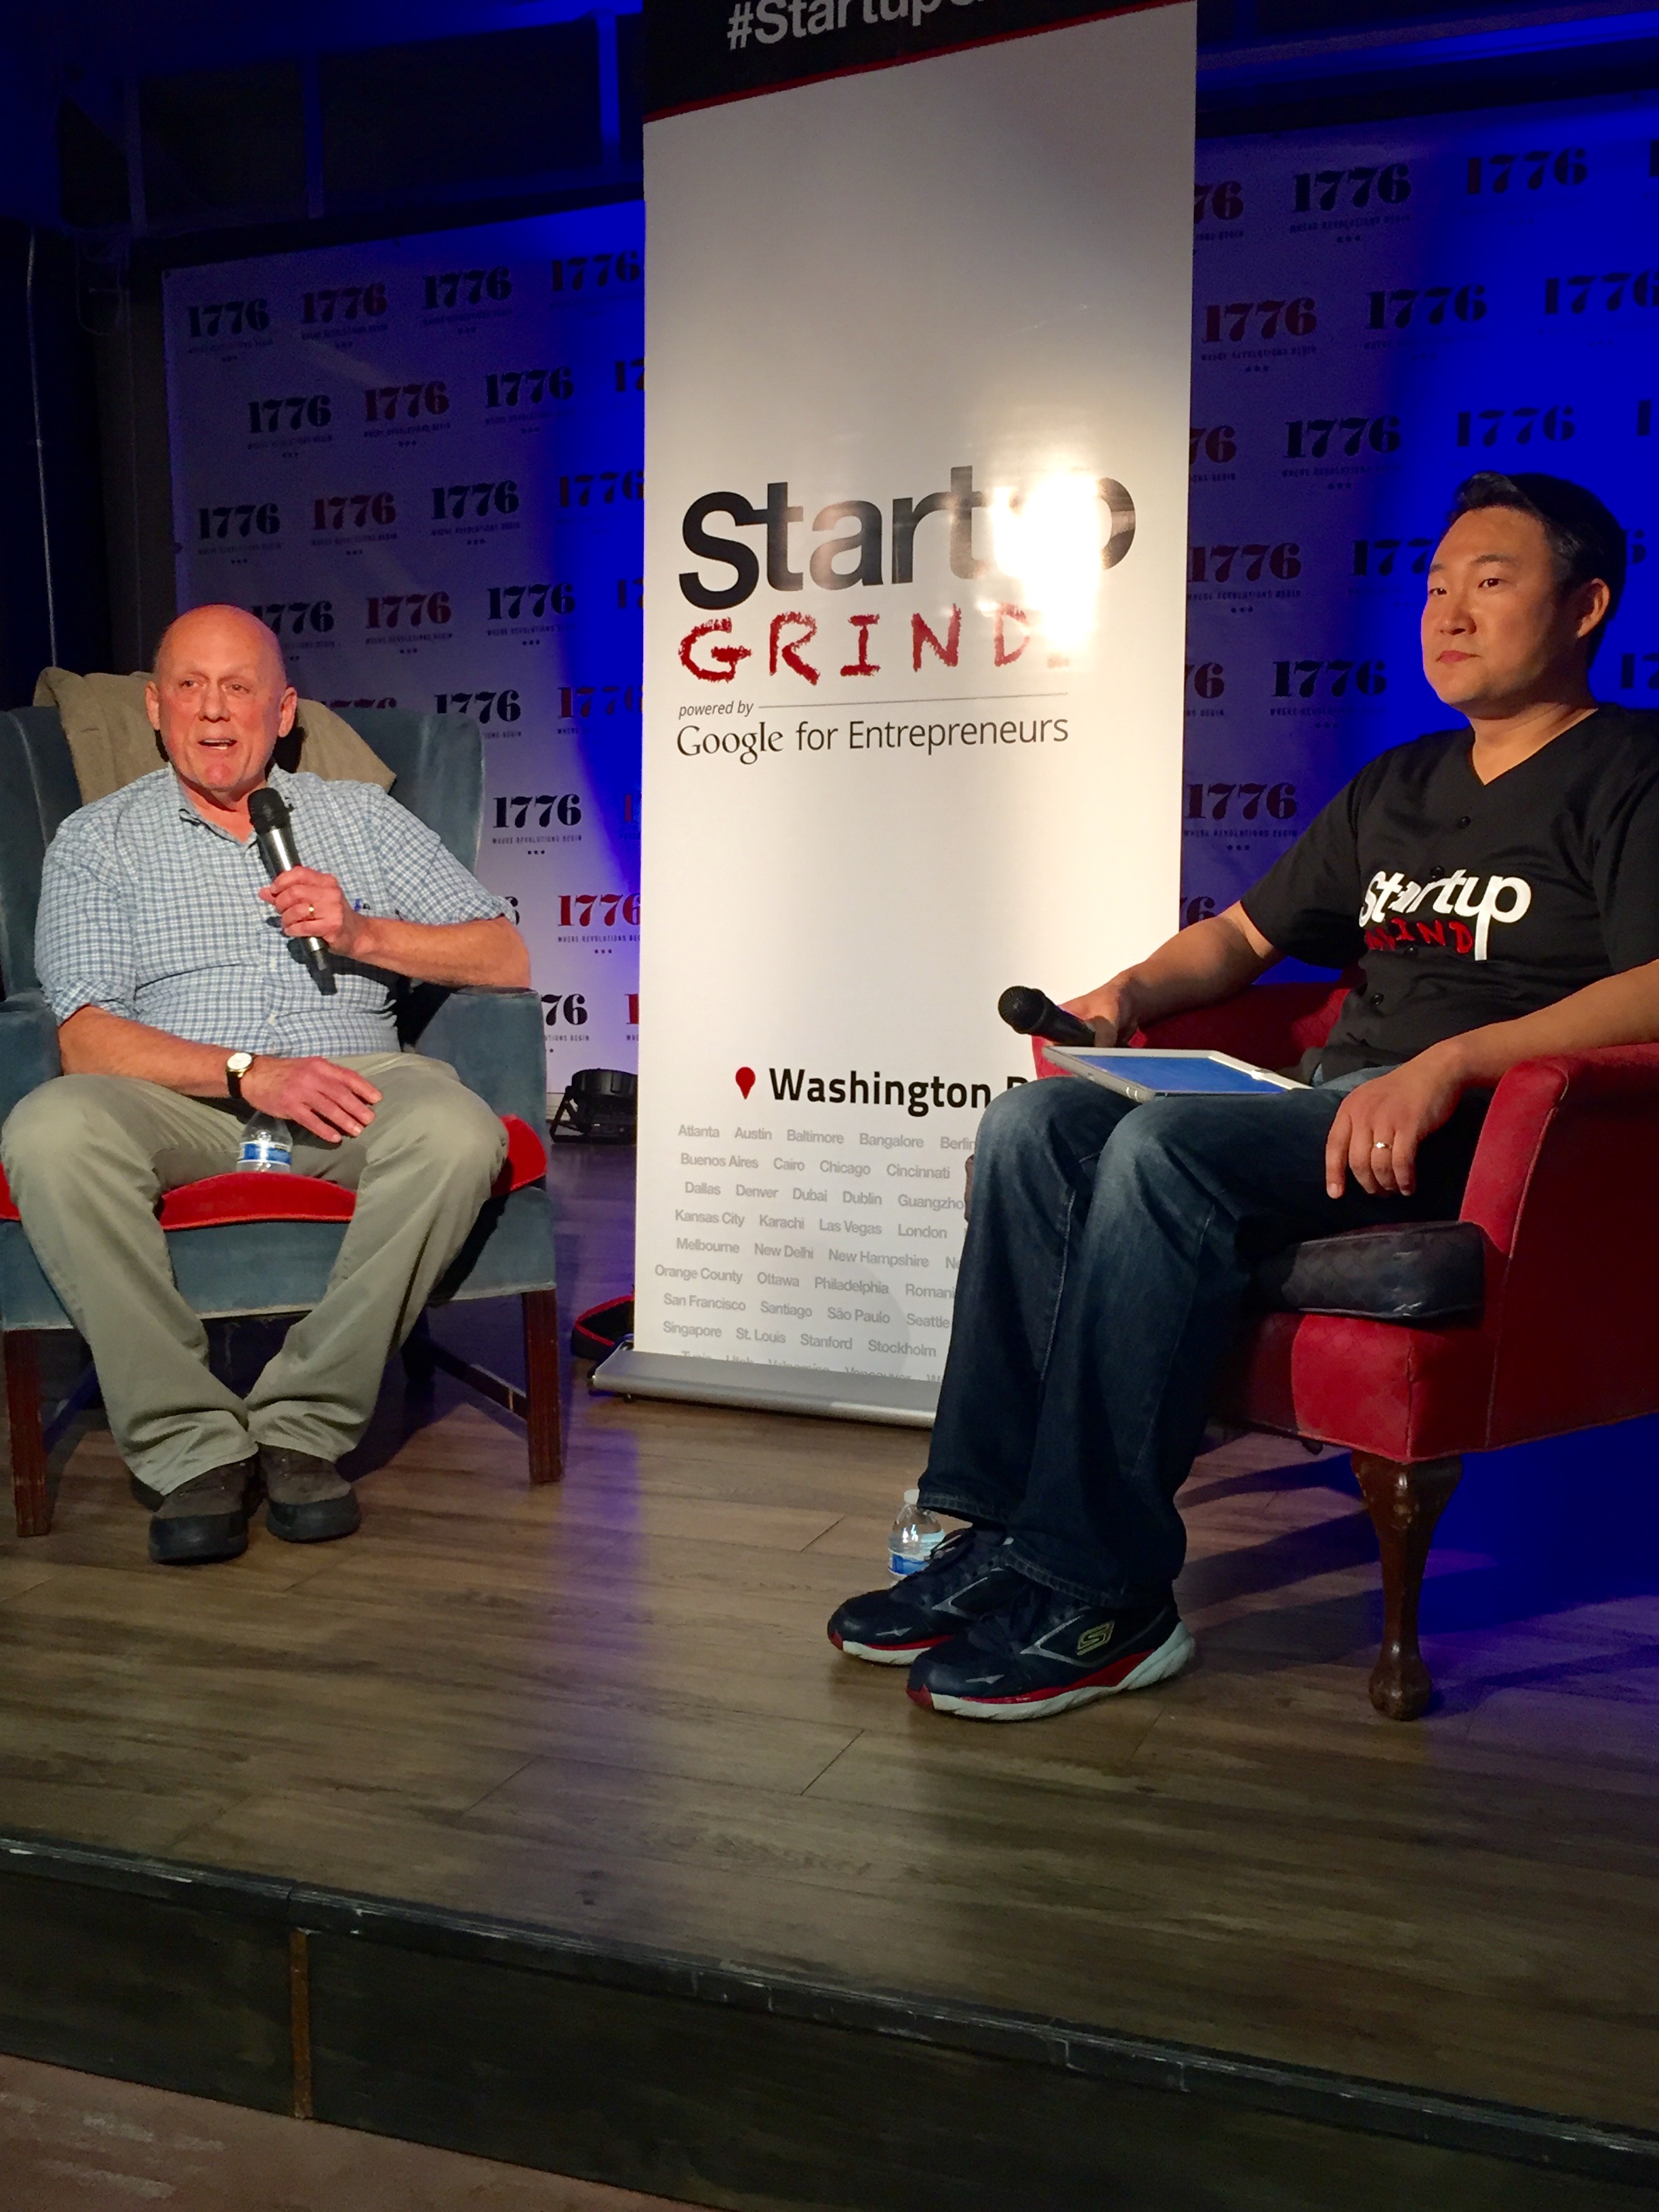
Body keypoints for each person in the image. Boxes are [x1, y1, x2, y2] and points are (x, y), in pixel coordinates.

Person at [829, 470, 1659, 1720]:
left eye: (1490, 583)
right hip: (1325, 1110)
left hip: (1476, 1135)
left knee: (1164, 1153)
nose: (1449, 613)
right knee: (1034, 1123)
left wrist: (1453, 1064)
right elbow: (1241, 939)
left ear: (1586, 606)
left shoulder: (1632, 771)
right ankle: (990, 1534)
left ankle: (1105, 1593)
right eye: (1436, 587)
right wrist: (1123, 996)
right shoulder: (1400, 784)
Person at [1, 604, 530, 1565]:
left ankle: (302, 1426)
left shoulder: (361, 818)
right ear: (156, 708)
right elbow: (86, 1035)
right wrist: (249, 1073)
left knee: (456, 1133)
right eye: (191, 687)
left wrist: (362, 932)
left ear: (282, 713)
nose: (214, 710)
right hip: (183, 1098)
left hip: (354, 1087)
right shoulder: (98, 839)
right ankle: (192, 1447)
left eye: (238, 688)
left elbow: (503, 953)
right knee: (50, 1129)